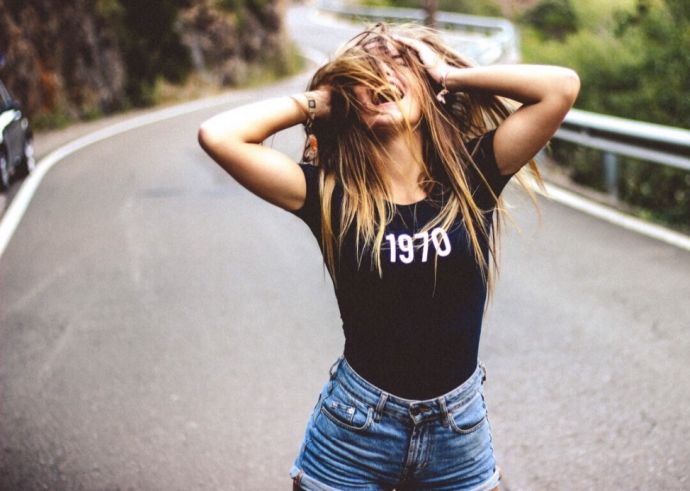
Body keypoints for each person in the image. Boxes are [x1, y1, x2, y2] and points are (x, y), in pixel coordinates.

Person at [198, 22, 579, 491]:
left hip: (458, 432)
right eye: (364, 73)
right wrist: (321, 103)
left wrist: (448, 75)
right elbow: (218, 135)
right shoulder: (330, 194)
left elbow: (561, 88)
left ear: (426, 83)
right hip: (354, 430)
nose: (381, 78)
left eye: (398, 64)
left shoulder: (473, 174)